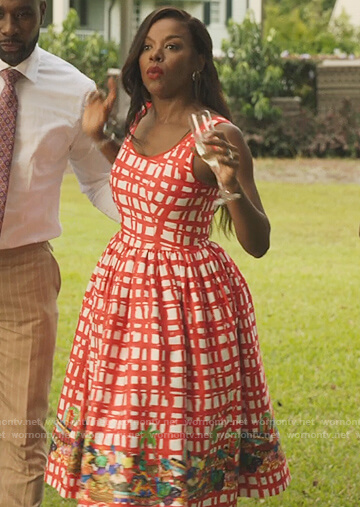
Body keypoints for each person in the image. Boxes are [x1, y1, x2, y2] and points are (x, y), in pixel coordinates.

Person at [45, 6, 291, 506]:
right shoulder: (143, 117)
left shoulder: (219, 135)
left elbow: (258, 242)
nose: (156, 57)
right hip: (121, 297)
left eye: (173, 46)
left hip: (183, 303)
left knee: (176, 431)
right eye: (149, 47)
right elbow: (148, 184)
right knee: (124, 429)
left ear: (199, 58)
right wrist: (102, 141)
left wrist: (229, 187)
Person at [0, 0, 119, 505]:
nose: (10, 28)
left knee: (21, 432)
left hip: (24, 273)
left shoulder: (75, 90)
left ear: (44, 13)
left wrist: (157, 217)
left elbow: (99, 180)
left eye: (23, 14)